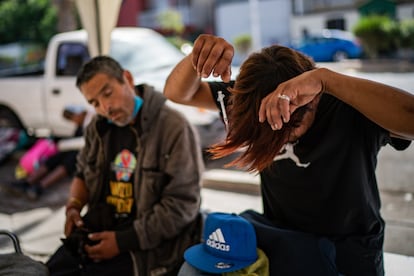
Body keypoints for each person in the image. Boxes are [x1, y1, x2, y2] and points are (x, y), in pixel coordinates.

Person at [163, 34, 414, 276]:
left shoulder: (348, 108)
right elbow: (177, 93)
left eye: (289, 124)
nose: (278, 136)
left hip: (349, 253)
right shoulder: (247, 100)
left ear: (313, 100)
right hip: (284, 244)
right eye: (265, 124)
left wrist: (327, 80)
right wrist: (196, 58)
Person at [46, 56, 204, 275]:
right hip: (102, 231)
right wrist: (73, 206)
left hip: (152, 248)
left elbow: (183, 206)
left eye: (107, 93)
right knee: (48, 270)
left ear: (127, 79)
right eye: (94, 103)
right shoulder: (97, 128)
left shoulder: (173, 127)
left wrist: (122, 241)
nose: (105, 108)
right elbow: (82, 172)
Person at [8, 107, 89, 200]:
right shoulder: (80, 125)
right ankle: (28, 182)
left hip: (82, 154)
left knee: (69, 161)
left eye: (73, 117)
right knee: (55, 158)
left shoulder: (90, 122)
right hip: (72, 149)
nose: (73, 121)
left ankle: (39, 187)